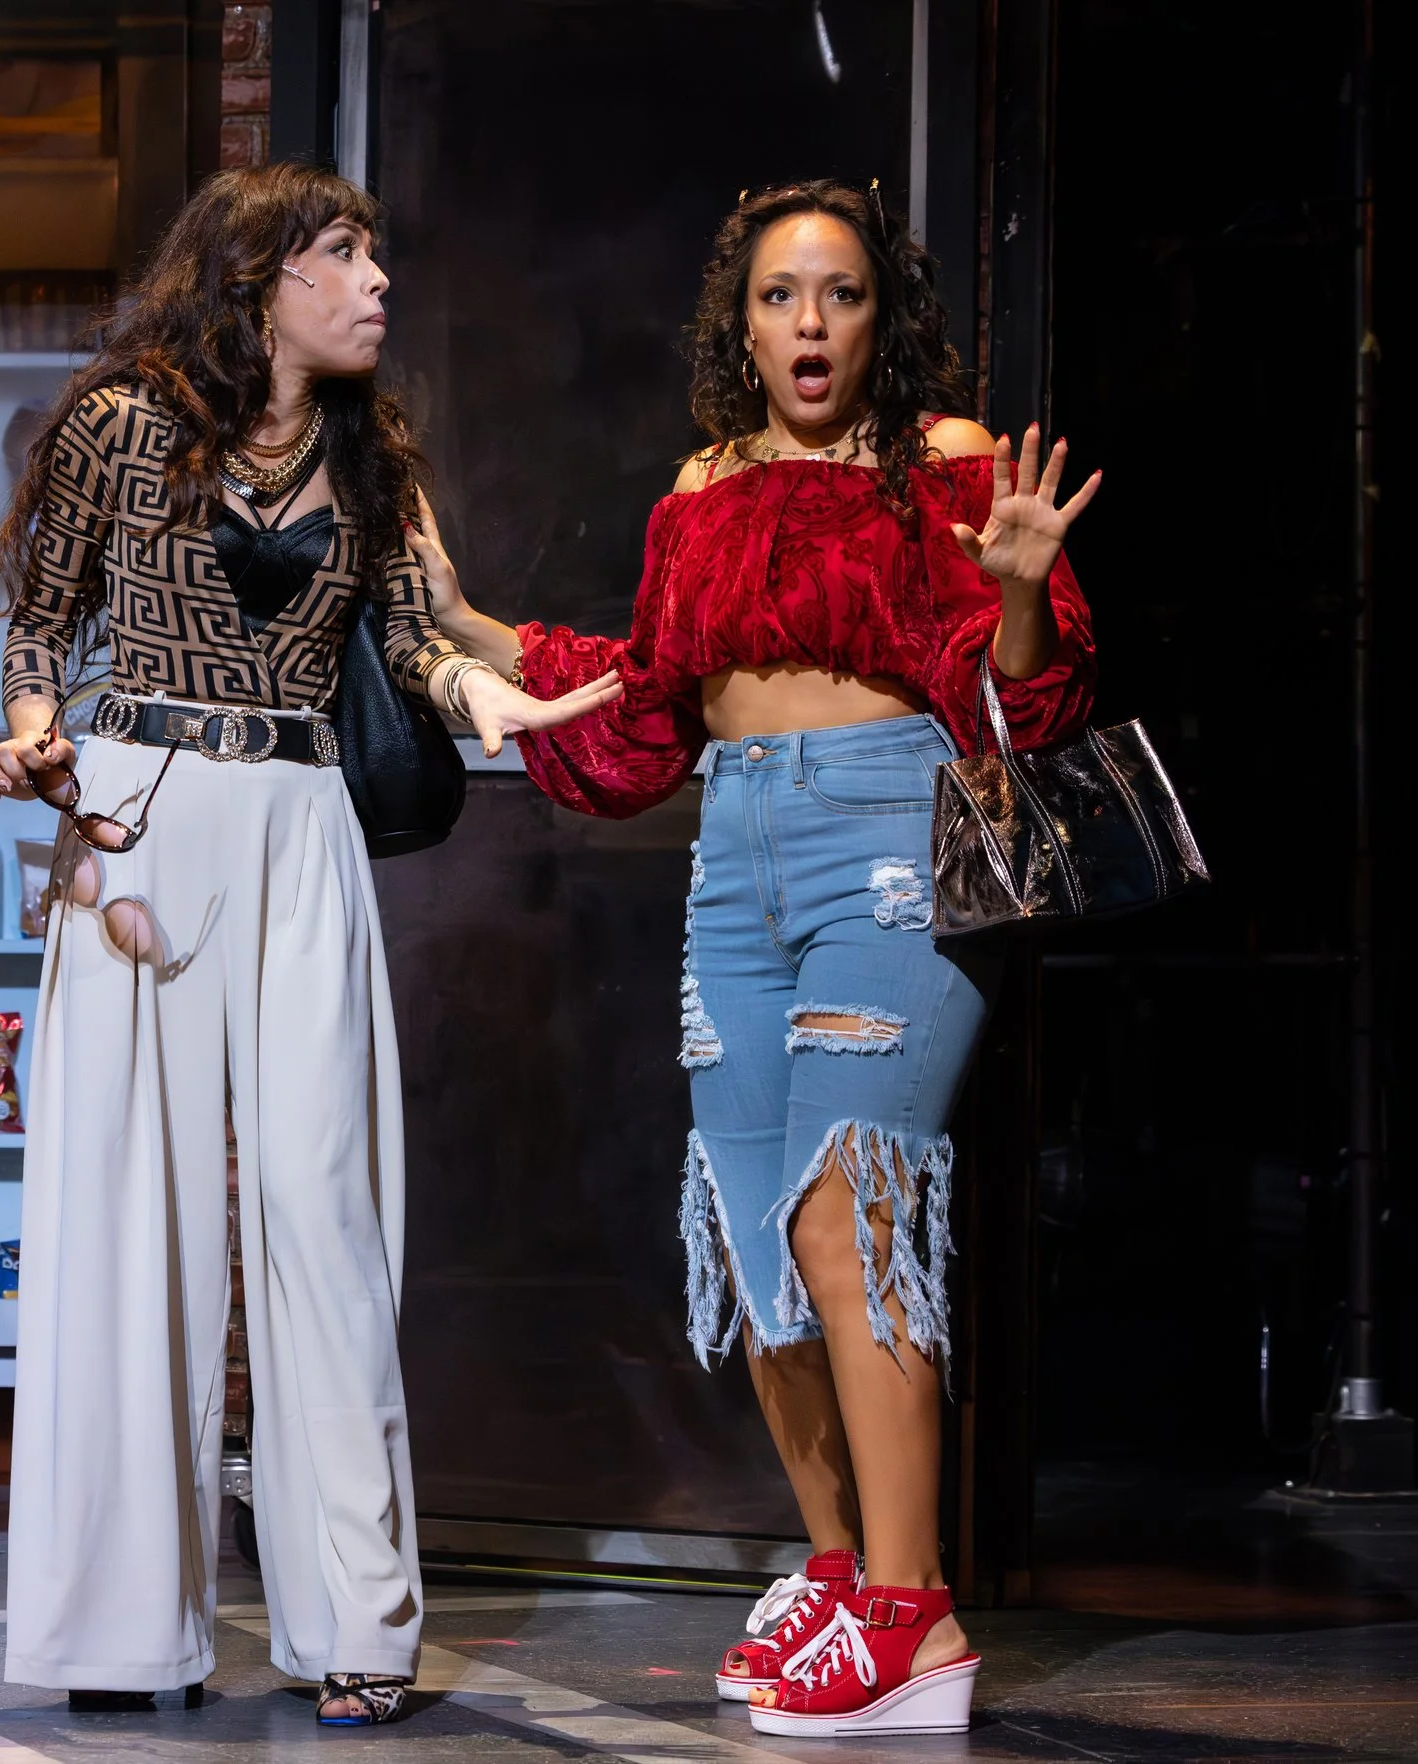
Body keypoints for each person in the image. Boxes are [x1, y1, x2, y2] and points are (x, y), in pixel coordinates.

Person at [419, 180, 1099, 1738]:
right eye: (783, 296)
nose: (812, 322)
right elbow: (655, 703)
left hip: (887, 844)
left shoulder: (946, 467)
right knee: (755, 1233)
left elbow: (1026, 706)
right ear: (742, 322)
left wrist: (1014, 595)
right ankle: (844, 1572)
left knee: (848, 1211)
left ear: (882, 317)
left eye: (842, 294)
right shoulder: (704, 482)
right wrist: (473, 622)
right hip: (734, 859)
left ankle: (917, 1621)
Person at [0, 161, 618, 1726]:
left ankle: (359, 1628)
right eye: (345, 253)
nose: (378, 281)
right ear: (262, 279)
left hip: (301, 815)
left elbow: (409, 637)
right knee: (131, 1213)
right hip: (139, 809)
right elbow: (39, 626)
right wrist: (32, 736)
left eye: (378, 253)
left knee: (330, 1210)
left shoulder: (371, 451)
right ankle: (123, 1630)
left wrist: (504, 708)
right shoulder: (118, 426)